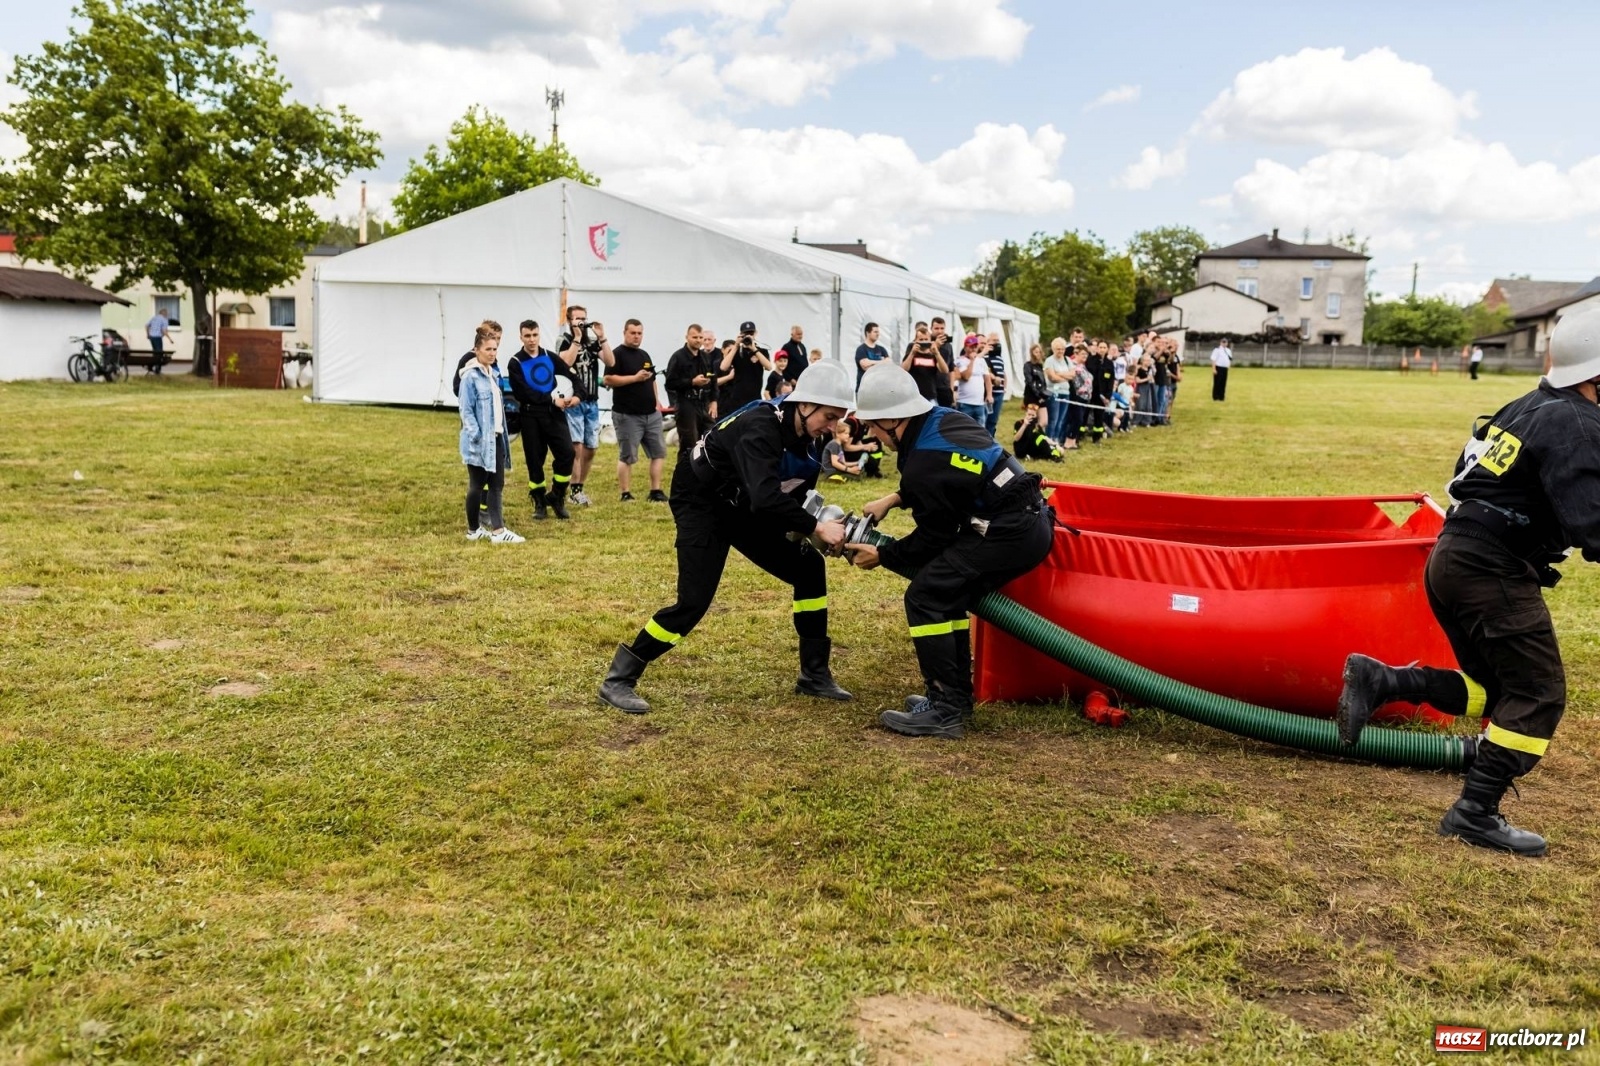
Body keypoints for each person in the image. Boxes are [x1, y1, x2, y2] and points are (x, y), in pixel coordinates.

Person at [1336, 306, 1600, 857]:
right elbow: (1592, 526)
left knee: (1501, 691)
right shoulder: (1577, 424)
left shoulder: (1528, 406)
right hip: (1491, 568)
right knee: (1539, 694)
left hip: (1453, 557)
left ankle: (1385, 682)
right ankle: (1475, 811)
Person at [598, 362, 859, 714]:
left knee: (808, 568)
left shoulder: (808, 444)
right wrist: (816, 527)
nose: (831, 427)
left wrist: (823, 533)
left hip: (744, 503)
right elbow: (768, 498)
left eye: (837, 419)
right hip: (701, 500)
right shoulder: (761, 426)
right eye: (828, 416)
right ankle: (619, 679)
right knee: (694, 601)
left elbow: (787, 502)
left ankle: (814, 675)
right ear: (805, 404)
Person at [846, 363, 1055, 739]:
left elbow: (933, 538)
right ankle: (953, 700)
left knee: (926, 595)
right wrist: (894, 498)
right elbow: (953, 477)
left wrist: (884, 556)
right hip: (1024, 519)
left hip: (1012, 532)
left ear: (894, 419)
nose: (872, 434)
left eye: (873, 425)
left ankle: (945, 711)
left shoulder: (924, 460)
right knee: (947, 593)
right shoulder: (939, 418)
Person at [507, 319, 577, 521]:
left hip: (554, 414)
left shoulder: (549, 356)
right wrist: (550, 399)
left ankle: (557, 495)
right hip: (530, 415)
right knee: (535, 461)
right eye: (527, 336)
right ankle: (539, 502)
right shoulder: (515, 362)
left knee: (567, 453)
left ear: (539, 335)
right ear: (521, 337)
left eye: (535, 335)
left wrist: (578, 395)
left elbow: (570, 375)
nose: (531, 340)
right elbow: (523, 392)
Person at [459, 327, 524, 544]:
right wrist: (476, 436)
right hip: (479, 440)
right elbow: (466, 410)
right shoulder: (470, 376)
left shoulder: (493, 374)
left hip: (496, 437)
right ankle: (473, 529)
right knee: (477, 484)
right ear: (476, 350)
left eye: (495, 349)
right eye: (488, 349)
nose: (492, 353)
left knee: (497, 484)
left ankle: (498, 530)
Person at [606, 319, 667, 503]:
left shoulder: (644, 355)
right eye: (633, 333)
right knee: (627, 456)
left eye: (640, 333)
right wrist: (634, 378)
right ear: (625, 332)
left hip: (651, 414)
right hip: (627, 415)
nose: (636, 336)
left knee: (659, 453)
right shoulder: (616, 354)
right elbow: (608, 379)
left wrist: (657, 402)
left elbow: (652, 379)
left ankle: (655, 491)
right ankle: (625, 493)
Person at [560, 306, 614, 507]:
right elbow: (565, 362)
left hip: (592, 401)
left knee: (590, 448)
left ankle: (579, 484)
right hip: (573, 400)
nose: (582, 322)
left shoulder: (592, 342)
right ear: (569, 321)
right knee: (576, 447)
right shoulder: (564, 340)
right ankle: (575, 490)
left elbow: (610, 361)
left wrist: (602, 337)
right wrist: (576, 337)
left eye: (584, 318)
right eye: (577, 319)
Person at [665, 323, 719, 458]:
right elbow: (670, 383)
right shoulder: (678, 357)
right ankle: (684, 476)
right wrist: (692, 382)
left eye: (701, 337)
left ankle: (703, 473)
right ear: (687, 337)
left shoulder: (705, 357)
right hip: (686, 403)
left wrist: (714, 400)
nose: (698, 340)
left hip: (703, 403)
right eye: (694, 337)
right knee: (689, 444)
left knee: (710, 438)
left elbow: (713, 379)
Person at [719, 320, 773, 411]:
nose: (748, 336)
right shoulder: (736, 351)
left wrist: (754, 349)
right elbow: (723, 367)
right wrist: (736, 345)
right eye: (745, 334)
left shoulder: (762, 351)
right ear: (740, 334)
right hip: (737, 398)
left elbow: (769, 367)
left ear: (755, 333)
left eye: (751, 333)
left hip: (755, 397)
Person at [952, 334, 992, 428]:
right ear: (965, 347)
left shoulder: (981, 361)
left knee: (980, 430)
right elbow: (966, 376)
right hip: (965, 403)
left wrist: (989, 394)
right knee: (963, 429)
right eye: (971, 347)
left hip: (979, 403)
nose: (973, 349)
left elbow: (987, 379)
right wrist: (972, 361)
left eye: (975, 347)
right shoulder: (960, 361)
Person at [901, 324, 948, 404]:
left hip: (930, 395)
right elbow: (904, 369)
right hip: (914, 395)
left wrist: (937, 353)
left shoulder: (933, 355)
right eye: (921, 339)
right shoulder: (912, 353)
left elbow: (945, 370)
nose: (923, 342)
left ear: (930, 340)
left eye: (926, 339)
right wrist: (912, 353)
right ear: (916, 340)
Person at [1042, 338, 1074, 447]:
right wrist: (1066, 375)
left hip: (1065, 392)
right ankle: (1048, 441)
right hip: (1053, 393)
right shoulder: (1049, 361)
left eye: (1062, 349)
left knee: (1061, 419)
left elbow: (1073, 375)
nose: (1060, 351)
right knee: (1053, 419)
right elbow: (1052, 378)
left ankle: (1056, 440)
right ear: (1053, 349)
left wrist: (1059, 373)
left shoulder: (1067, 360)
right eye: (1058, 349)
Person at [983, 331, 1007, 438]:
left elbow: (1003, 372)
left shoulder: (999, 358)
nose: (997, 343)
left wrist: (1004, 386)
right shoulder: (985, 357)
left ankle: (991, 439)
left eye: (998, 341)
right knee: (987, 418)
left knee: (994, 420)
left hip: (1000, 392)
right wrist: (994, 378)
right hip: (991, 392)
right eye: (994, 341)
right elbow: (986, 371)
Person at [930, 317, 957, 408]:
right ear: (931, 329)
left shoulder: (948, 345)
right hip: (930, 388)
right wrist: (936, 345)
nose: (939, 331)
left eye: (942, 328)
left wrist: (951, 388)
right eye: (936, 328)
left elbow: (951, 369)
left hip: (945, 387)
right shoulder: (927, 343)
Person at [145, 306, 173, 374]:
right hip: (157, 337)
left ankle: (153, 366)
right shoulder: (164, 320)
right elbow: (164, 331)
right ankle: (157, 368)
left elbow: (146, 325)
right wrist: (170, 339)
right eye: (166, 313)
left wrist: (148, 334)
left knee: (155, 352)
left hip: (152, 337)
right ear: (164, 313)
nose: (167, 315)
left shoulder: (154, 318)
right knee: (159, 353)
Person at [1210, 336, 1232, 401]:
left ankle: (1221, 396)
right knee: (1217, 383)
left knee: (1223, 383)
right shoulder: (1217, 350)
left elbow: (1229, 359)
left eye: (1225, 342)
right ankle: (1215, 396)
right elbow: (1213, 359)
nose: (1224, 343)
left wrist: (1229, 365)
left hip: (1225, 368)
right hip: (1218, 367)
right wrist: (1214, 369)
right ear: (1220, 342)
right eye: (1223, 342)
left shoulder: (1228, 350)